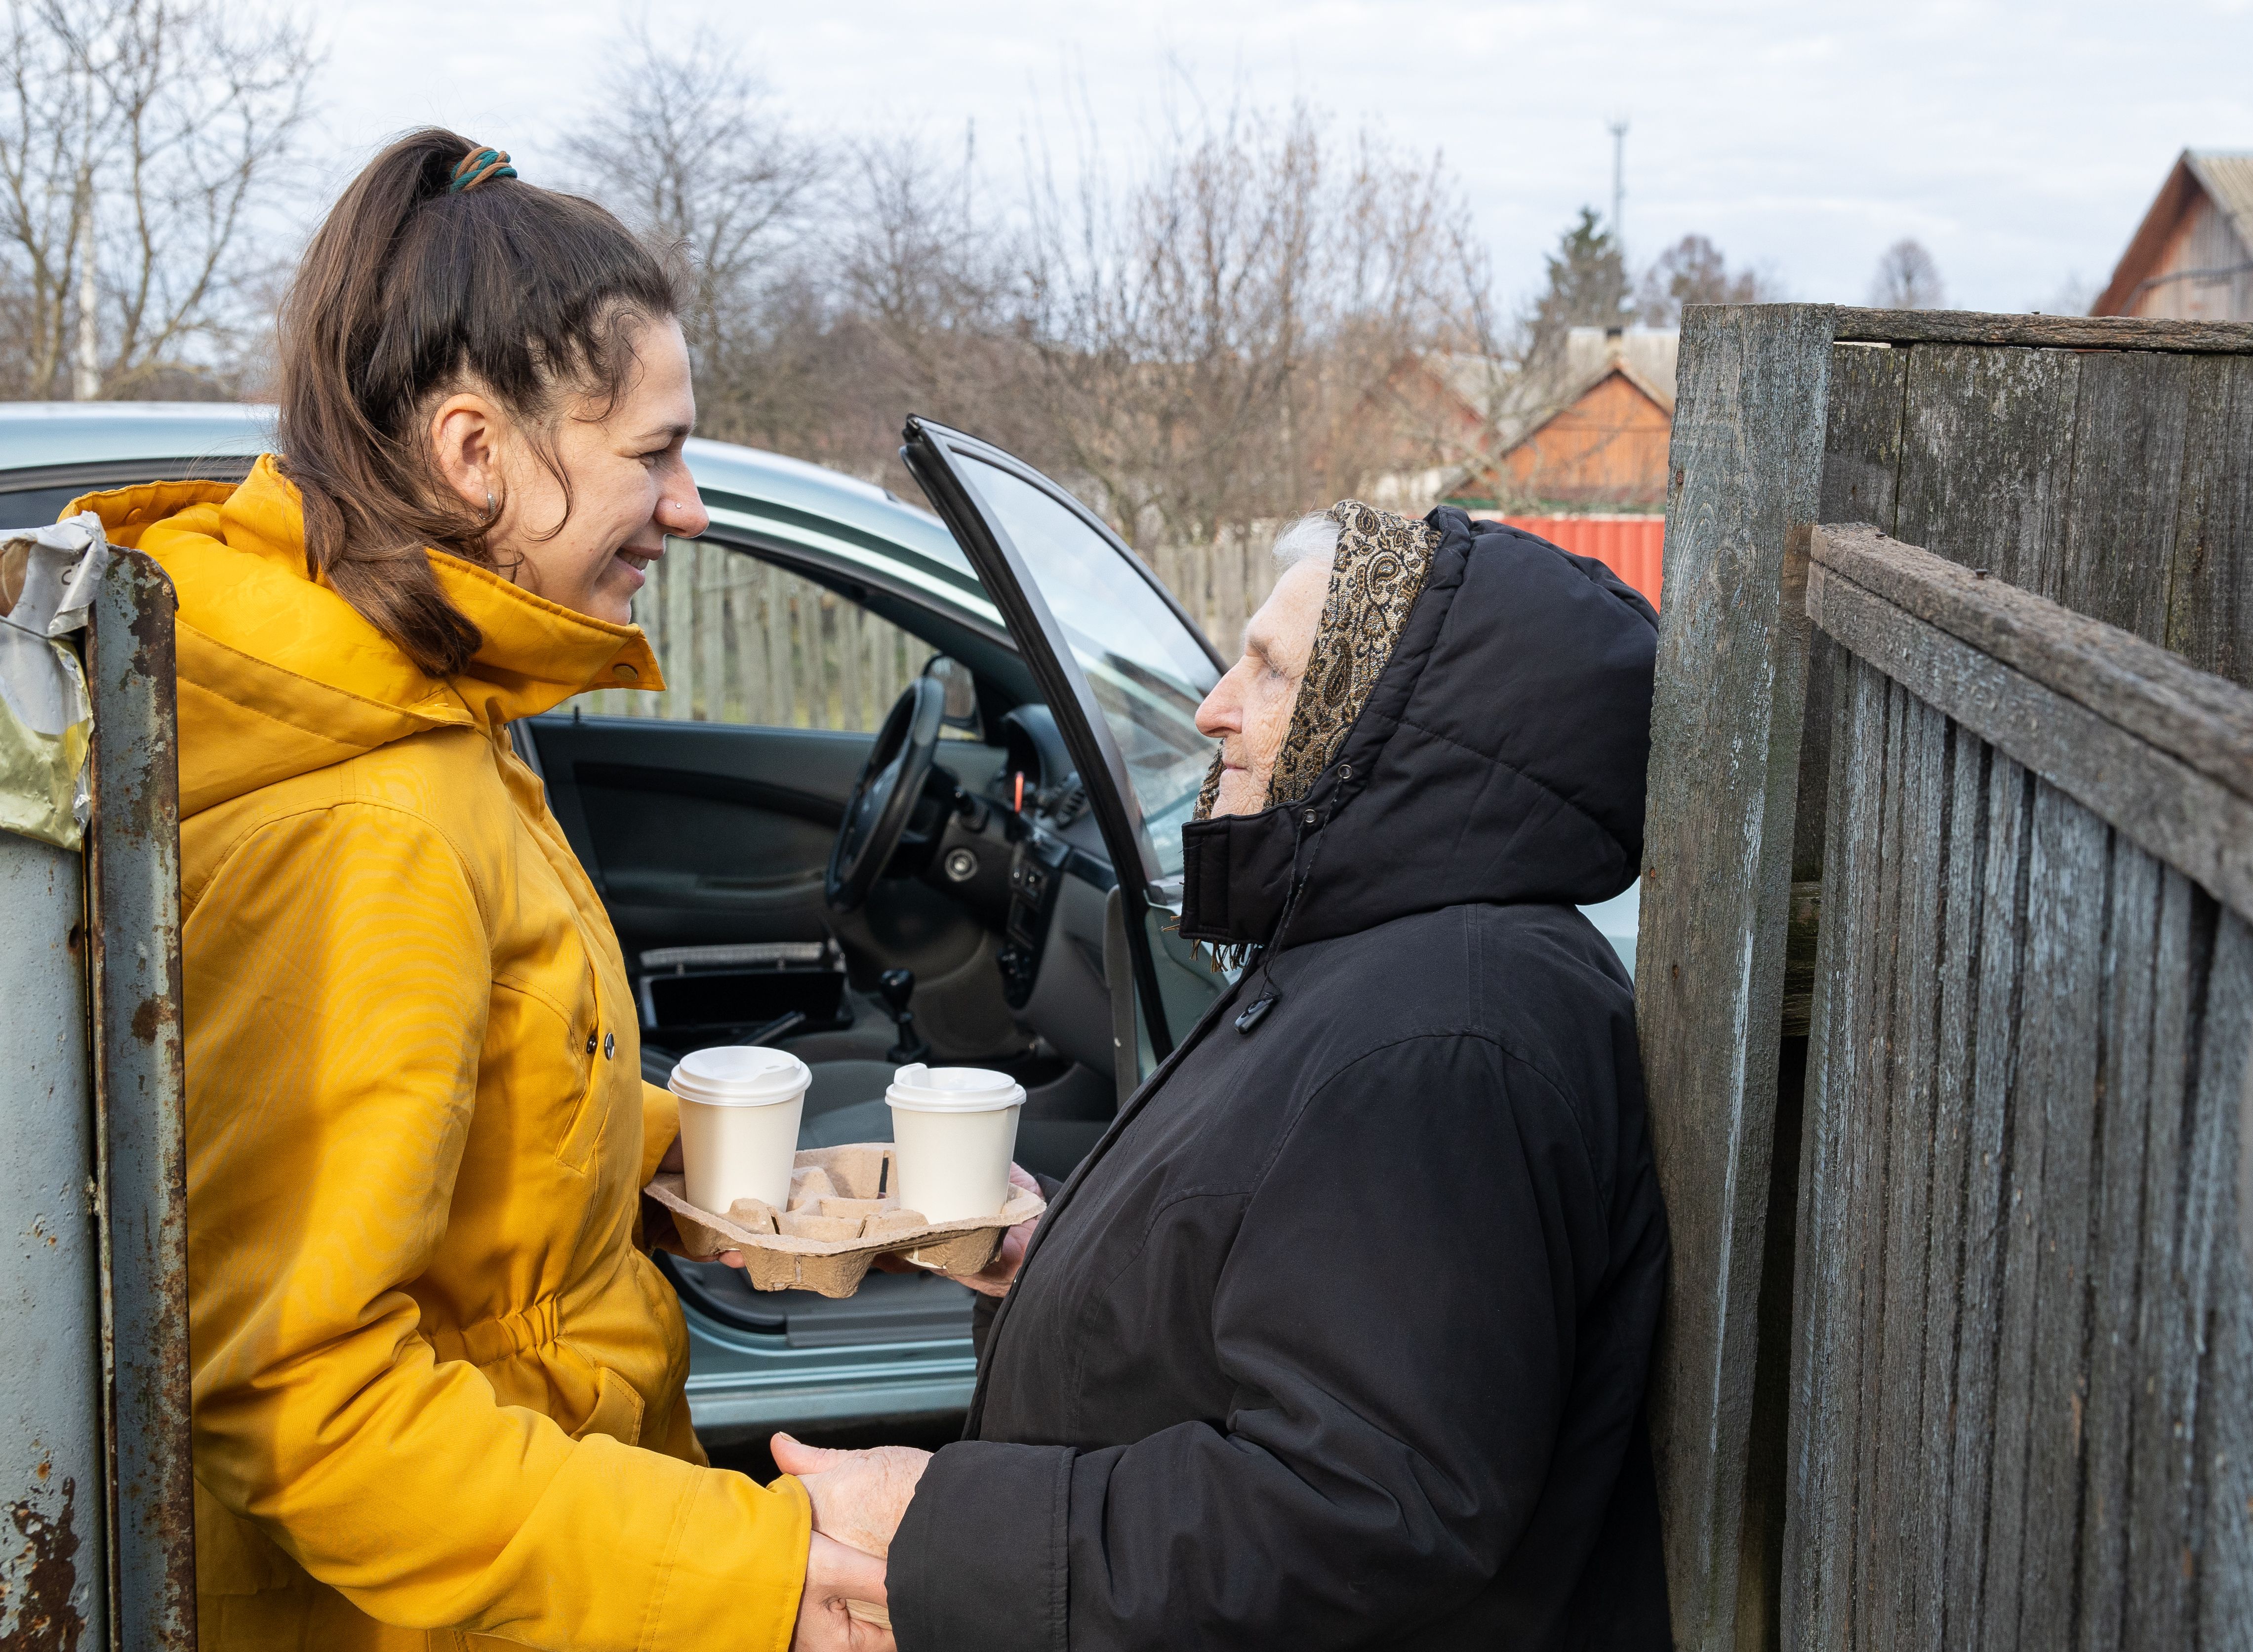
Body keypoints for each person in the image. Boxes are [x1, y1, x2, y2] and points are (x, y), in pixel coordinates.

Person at [81, 130, 878, 1651]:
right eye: (655, 452)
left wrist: (726, 1171)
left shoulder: (431, 709)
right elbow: (308, 1404)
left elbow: (479, 1115)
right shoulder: (366, 821)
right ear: (473, 451)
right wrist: (762, 1577)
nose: (691, 507)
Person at [779, 500, 1672, 1649]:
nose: (1213, 707)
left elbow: (1362, 1509)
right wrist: (1054, 1260)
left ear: (1393, 722)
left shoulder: (1444, 1037)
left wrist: (938, 1521)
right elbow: (1291, 1269)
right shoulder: (1369, 956)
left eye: (1269, 670)